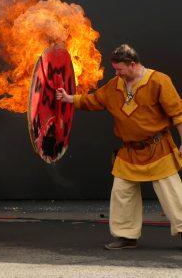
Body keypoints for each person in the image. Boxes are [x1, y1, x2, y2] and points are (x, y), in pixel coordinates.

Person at [56, 43, 182, 250]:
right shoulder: (115, 85)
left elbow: (178, 114)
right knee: (122, 193)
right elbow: (94, 100)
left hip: (158, 148)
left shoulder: (159, 81)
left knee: (174, 194)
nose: (116, 73)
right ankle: (126, 236)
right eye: (115, 70)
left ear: (132, 64)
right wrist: (68, 98)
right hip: (129, 151)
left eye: (119, 69)